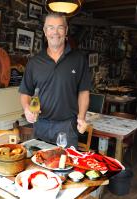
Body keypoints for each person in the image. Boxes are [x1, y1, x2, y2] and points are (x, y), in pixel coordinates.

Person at [19, 13, 91, 148]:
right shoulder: (35, 62)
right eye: (51, 28)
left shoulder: (79, 59)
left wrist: (81, 117)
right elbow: (25, 92)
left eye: (60, 27)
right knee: (39, 166)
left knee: (67, 167)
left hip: (67, 127)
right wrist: (27, 109)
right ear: (45, 32)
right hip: (41, 125)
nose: (55, 32)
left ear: (66, 30)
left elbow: (84, 92)